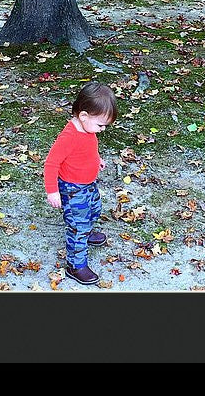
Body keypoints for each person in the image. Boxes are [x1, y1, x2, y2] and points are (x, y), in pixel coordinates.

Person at [44, 82, 118, 285]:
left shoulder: (88, 129)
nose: (102, 130)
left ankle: (87, 231)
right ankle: (75, 266)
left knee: (95, 209)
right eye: (101, 125)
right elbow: (51, 164)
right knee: (77, 226)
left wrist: (97, 159)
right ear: (84, 115)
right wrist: (52, 191)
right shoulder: (68, 137)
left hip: (88, 184)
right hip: (72, 189)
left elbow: (89, 149)